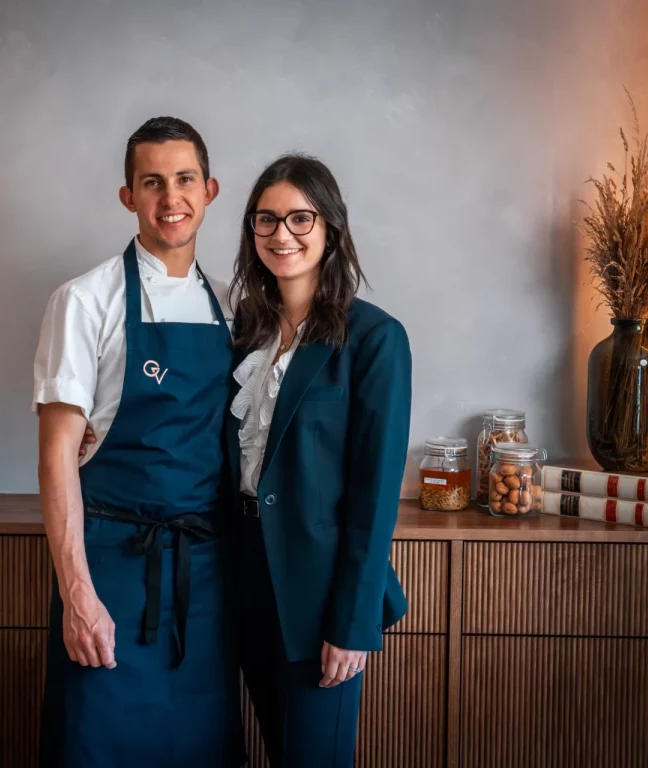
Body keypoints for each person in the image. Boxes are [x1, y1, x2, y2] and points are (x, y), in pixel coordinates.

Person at [33, 116, 244, 767]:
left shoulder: (235, 307)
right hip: (111, 570)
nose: (170, 197)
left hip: (205, 577)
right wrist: (77, 595)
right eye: (152, 182)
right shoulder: (83, 301)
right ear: (128, 196)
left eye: (184, 180)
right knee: (98, 745)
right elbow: (56, 459)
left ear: (209, 190)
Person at [226, 154, 411, 767]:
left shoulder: (375, 339)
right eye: (267, 219)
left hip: (319, 593)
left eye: (300, 218)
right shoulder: (243, 332)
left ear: (330, 227)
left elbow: (374, 498)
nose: (282, 234)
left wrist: (352, 624)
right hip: (241, 575)